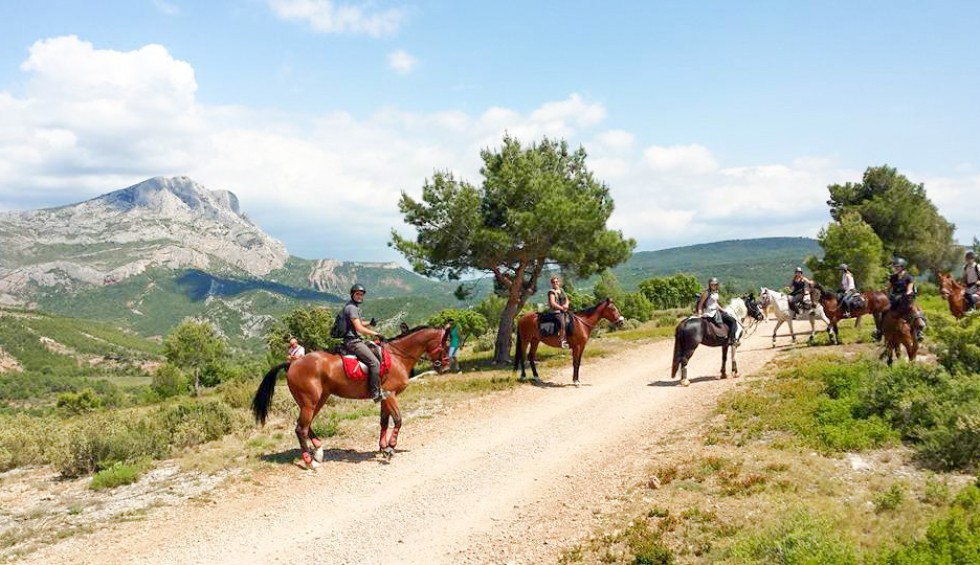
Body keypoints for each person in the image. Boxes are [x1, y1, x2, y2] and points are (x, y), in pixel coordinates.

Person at [341, 284, 388, 402]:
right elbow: (359, 328)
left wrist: (370, 323)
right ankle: (374, 393)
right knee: (375, 363)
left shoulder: (353, 307)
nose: (360, 296)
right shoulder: (352, 308)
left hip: (355, 340)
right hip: (353, 341)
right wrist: (375, 333)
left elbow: (359, 323)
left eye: (361, 294)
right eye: (357, 294)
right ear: (352, 294)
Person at [888, 258, 925, 342]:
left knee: (914, 310)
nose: (895, 268)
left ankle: (919, 331)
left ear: (902, 267)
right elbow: (888, 288)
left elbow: (909, 289)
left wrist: (905, 294)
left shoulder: (908, 277)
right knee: (883, 310)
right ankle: (879, 330)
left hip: (905, 297)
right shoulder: (893, 277)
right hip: (894, 297)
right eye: (894, 267)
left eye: (897, 267)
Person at [695, 277, 737, 345]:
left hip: (716, 311)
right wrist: (700, 313)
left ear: (717, 285)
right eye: (712, 284)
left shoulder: (715, 293)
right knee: (733, 321)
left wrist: (723, 310)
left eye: (715, 284)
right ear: (709, 285)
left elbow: (715, 303)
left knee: (731, 319)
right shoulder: (706, 293)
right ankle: (732, 340)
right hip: (710, 312)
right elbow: (700, 304)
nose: (713, 286)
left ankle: (731, 338)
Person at [547, 276, 571, 349]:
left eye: (556, 282)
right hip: (556, 312)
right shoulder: (551, 292)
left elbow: (567, 299)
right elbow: (552, 303)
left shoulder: (562, 290)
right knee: (562, 324)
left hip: (564, 310)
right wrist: (562, 308)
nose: (555, 283)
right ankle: (562, 341)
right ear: (551, 283)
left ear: (559, 282)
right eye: (553, 282)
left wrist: (566, 305)